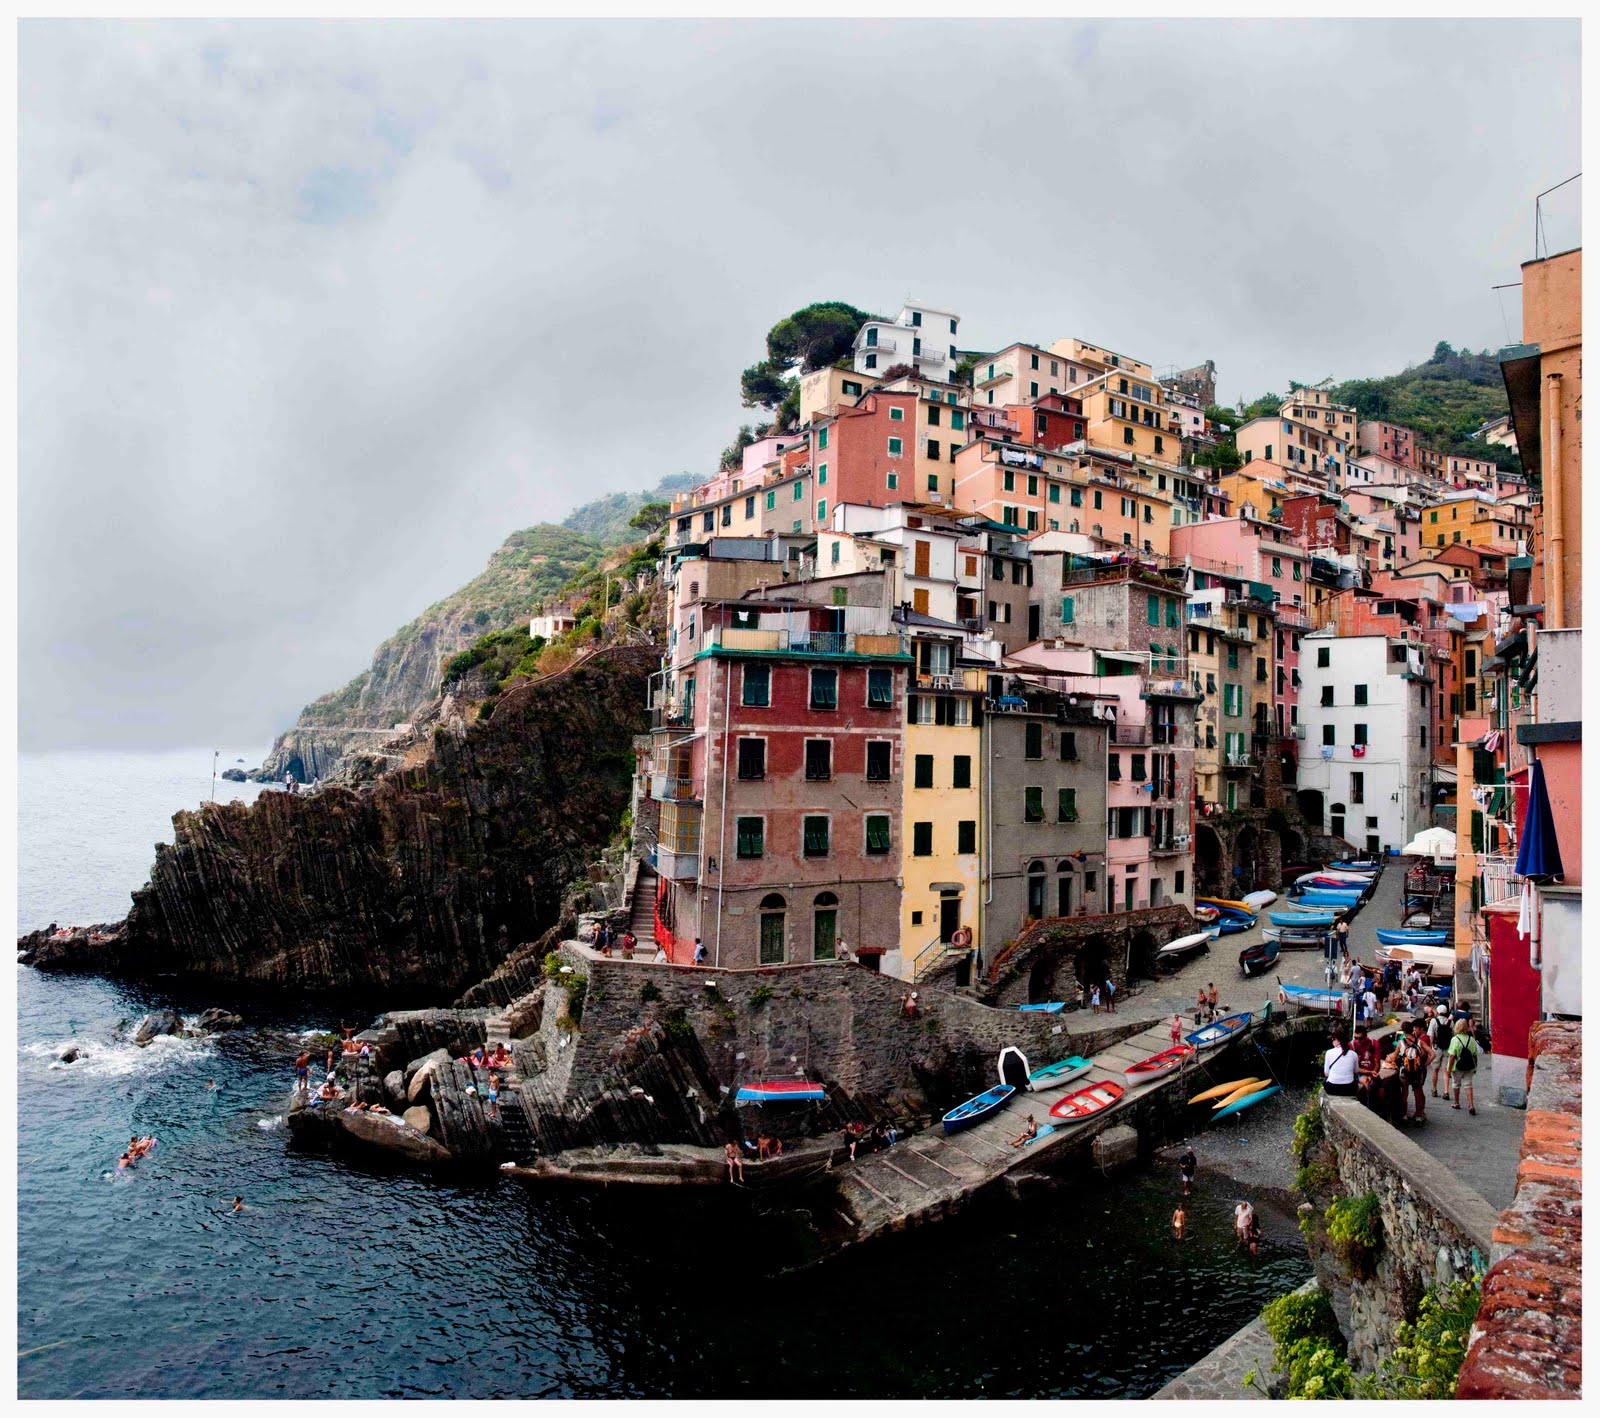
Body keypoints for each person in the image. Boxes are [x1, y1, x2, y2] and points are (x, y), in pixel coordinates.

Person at [1401, 1020, 1432, 1126]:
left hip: (1406, 1071)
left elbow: (1395, 1056)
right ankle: (1419, 1115)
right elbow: (1432, 1054)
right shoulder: (1420, 1041)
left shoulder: (1402, 1042)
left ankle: (1404, 1115)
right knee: (1418, 1092)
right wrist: (1424, 1064)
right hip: (1417, 1071)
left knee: (1405, 1092)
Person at [1448, 1019, 1480, 1114]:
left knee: (1456, 1084)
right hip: (1470, 1066)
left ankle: (1457, 1102)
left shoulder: (1455, 1039)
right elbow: (1475, 1055)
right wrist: (1475, 1067)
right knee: (1468, 1085)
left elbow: (1452, 1056)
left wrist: (1449, 1069)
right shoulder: (1472, 1039)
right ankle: (1471, 1105)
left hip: (1457, 1066)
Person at [1323, 1029, 1359, 1096]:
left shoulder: (1329, 1053)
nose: (1332, 1042)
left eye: (1333, 1039)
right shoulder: (1354, 1054)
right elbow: (1356, 1072)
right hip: (1349, 1089)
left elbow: (1326, 1074)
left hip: (1332, 1088)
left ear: (1338, 1041)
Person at [1351, 1024, 1379, 1106]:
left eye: (1360, 1038)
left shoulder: (1373, 1043)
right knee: (1368, 1084)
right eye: (1356, 1038)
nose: (1357, 1041)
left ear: (1365, 1037)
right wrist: (1370, 1073)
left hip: (1372, 1072)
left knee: (1382, 1091)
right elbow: (1354, 1068)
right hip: (1358, 1073)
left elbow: (1377, 1064)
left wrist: (1372, 1074)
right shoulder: (1351, 1045)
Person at [1427, 1005, 1451, 1097]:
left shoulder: (1434, 1021)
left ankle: (1434, 1089)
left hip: (1436, 1047)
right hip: (1447, 1048)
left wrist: (1430, 1049)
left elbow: (1431, 1037)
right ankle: (1446, 1091)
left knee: (1435, 1069)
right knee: (1445, 1071)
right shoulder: (1450, 1022)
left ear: (1438, 1012)